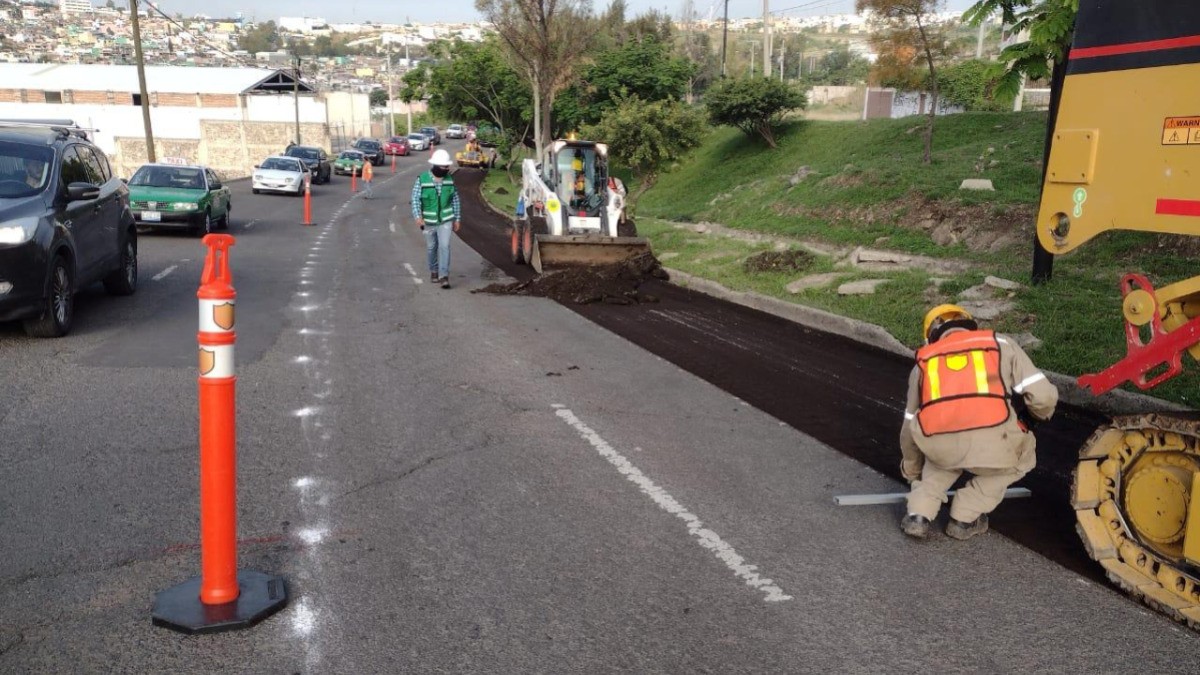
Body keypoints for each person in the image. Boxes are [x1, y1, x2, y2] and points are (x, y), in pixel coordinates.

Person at [898, 304, 1058, 540]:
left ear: (930, 336)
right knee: (1023, 458)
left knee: (937, 464)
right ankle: (964, 516)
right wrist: (1035, 417)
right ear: (969, 323)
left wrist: (912, 471)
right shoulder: (1000, 344)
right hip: (994, 442)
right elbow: (1044, 396)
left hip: (942, 446)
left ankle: (919, 513)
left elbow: (910, 425)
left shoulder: (924, 363)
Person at [412, 149, 461, 289]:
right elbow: (415, 199)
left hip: (446, 220)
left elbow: (455, 200)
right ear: (436, 166)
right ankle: (434, 270)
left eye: (447, 166)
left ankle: (444, 276)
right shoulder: (422, 180)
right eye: (445, 167)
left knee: (445, 246)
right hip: (428, 221)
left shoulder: (450, 180)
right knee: (431, 247)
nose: (447, 169)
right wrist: (417, 216)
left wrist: (457, 219)